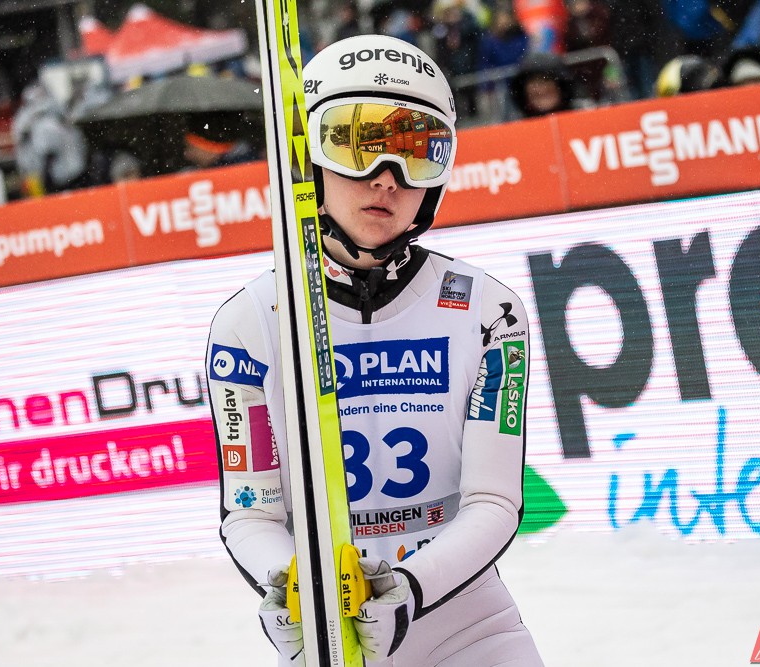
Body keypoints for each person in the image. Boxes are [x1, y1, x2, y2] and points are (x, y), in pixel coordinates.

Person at [206, 34, 543, 667]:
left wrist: (408, 590)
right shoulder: (249, 324)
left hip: (467, 625)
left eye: (418, 152)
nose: (387, 178)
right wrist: (289, 589)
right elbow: (251, 511)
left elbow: (494, 502)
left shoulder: (488, 312)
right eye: (357, 144)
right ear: (308, 158)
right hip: (328, 633)